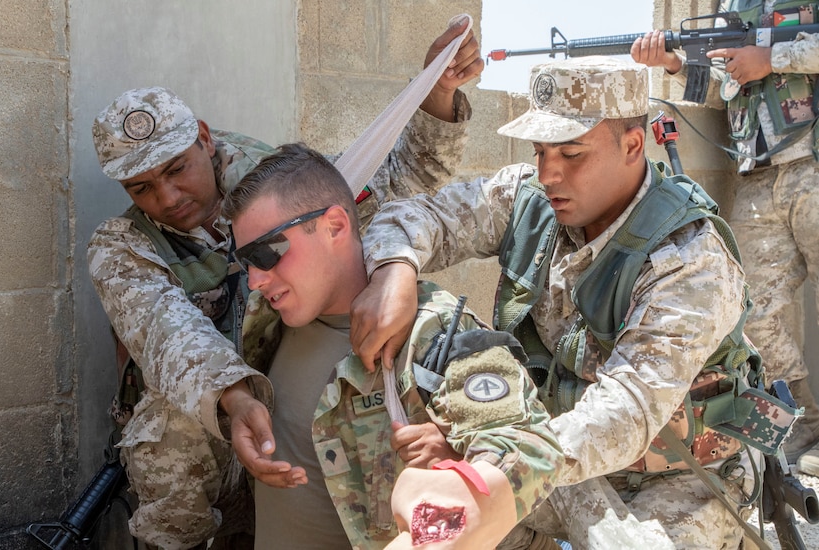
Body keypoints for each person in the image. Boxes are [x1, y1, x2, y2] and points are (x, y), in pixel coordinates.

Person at [348, 56, 796, 549]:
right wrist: (396, 270)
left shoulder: (690, 258)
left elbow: (627, 410)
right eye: (540, 151)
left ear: (631, 145)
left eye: (572, 153)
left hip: (677, 478)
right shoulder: (527, 197)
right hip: (548, 458)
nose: (548, 174)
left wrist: (496, 460)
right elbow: (415, 214)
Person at [87, 21, 484, 550]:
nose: (167, 195)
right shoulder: (121, 247)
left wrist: (436, 94)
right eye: (142, 187)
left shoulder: (270, 182)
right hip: (213, 431)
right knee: (167, 423)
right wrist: (234, 398)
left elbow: (386, 185)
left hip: (288, 407)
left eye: (177, 168)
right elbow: (169, 335)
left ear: (204, 138)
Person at [216, 142, 563, 549]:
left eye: (267, 253)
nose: (255, 278)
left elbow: (526, 447)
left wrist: (453, 496)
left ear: (334, 226)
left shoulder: (432, 334)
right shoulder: (265, 316)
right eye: (245, 259)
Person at [631, 1, 819, 476]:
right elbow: (723, 90)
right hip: (759, 175)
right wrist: (673, 62)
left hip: (813, 163)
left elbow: (774, 60)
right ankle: (804, 422)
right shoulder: (732, 7)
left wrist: (772, 59)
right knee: (749, 308)